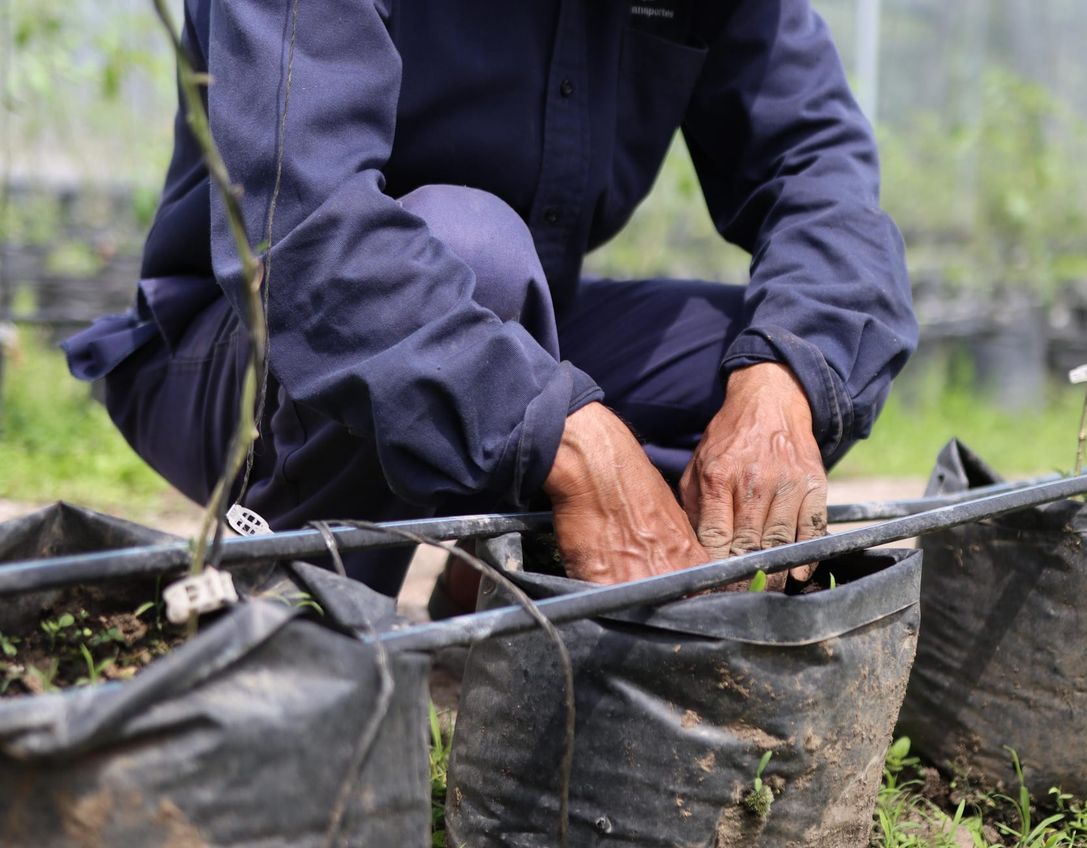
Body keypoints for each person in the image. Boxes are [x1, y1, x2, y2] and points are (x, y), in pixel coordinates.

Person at [63, 0, 917, 600]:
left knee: (766, 372)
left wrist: (782, 379)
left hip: (514, 329)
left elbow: (823, 175)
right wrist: (562, 436)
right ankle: (293, 618)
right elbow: (309, 240)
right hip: (246, 354)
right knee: (474, 253)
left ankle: (510, 587)